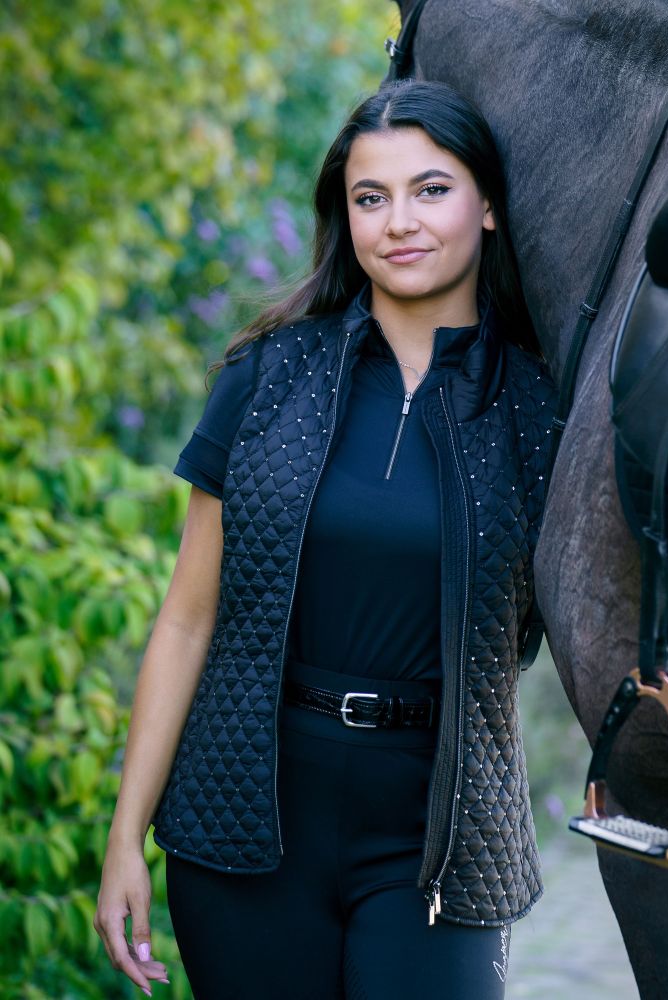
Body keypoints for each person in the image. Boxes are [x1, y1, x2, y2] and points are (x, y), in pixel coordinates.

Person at [93, 79, 557, 999]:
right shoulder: (268, 377)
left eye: (432, 189)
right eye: (369, 197)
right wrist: (124, 839)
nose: (400, 222)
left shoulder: (542, 413)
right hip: (249, 829)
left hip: (441, 838)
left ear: (490, 206)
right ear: (344, 218)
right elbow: (187, 621)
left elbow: (580, 627)